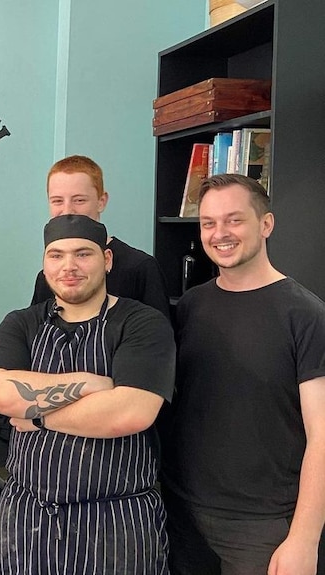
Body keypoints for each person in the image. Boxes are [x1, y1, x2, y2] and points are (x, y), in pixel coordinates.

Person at [0, 214, 175, 574]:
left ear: (107, 260)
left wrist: (38, 416)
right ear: (44, 263)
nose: (68, 266)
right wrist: (91, 385)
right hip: (27, 520)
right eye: (56, 255)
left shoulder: (142, 323)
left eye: (82, 254)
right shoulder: (20, 323)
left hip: (117, 524)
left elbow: (130, 413)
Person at [162, 174, 325, 575]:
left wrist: (305, 539)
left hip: (265, 528)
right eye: (208, 223)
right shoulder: (189, 307)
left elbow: (323, 435)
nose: (220, 234)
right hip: (183, 515)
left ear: (265, 224)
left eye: (234, 220)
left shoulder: (305, 315)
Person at [29, 155, 170, 318]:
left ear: (101, 201)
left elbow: (159, 335)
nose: (67, 210)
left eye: (79, 200)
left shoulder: (141, 268)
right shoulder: (49, 277)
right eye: (57, 201)